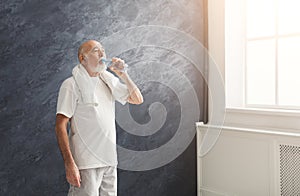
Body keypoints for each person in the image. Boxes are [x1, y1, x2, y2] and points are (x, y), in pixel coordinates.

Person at [55, 40, 143, 196]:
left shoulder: (107, 81)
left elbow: (137, 99)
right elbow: (60, 125)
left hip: (109, 160)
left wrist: (123, 75)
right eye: (96, 51)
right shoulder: (71, 85)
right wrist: (69, 163)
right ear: (83, 58)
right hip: (86, 162)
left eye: (103, 50)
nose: (103, 54)